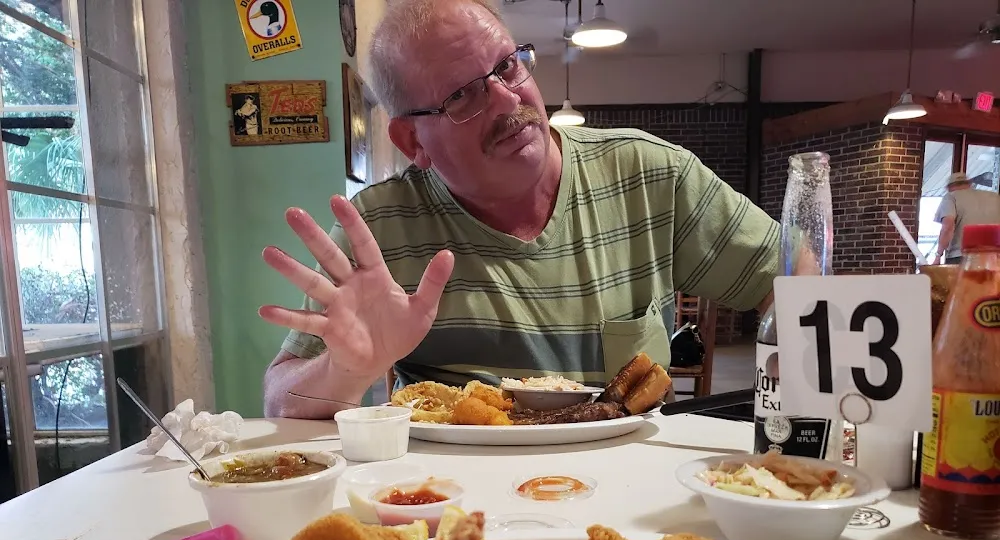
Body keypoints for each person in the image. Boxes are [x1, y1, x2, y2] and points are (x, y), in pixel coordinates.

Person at [258, 0, 779, 419]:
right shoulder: (378, 229)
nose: (508, 101)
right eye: (462, 96)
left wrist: (800, 402)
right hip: (461, 513)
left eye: (507, 66)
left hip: (635, 500)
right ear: (411, 139)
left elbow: (799, 282)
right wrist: (346, 371)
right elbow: (280, 398)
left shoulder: (652, 176)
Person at [934, 171, 1000, 264]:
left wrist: (938, 255)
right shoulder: (994, 197)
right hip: (994, 257)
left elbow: (948, 227)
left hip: (962, 256)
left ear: (948, 187)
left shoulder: (951, 197)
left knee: (965, 279)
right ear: (969, 184)